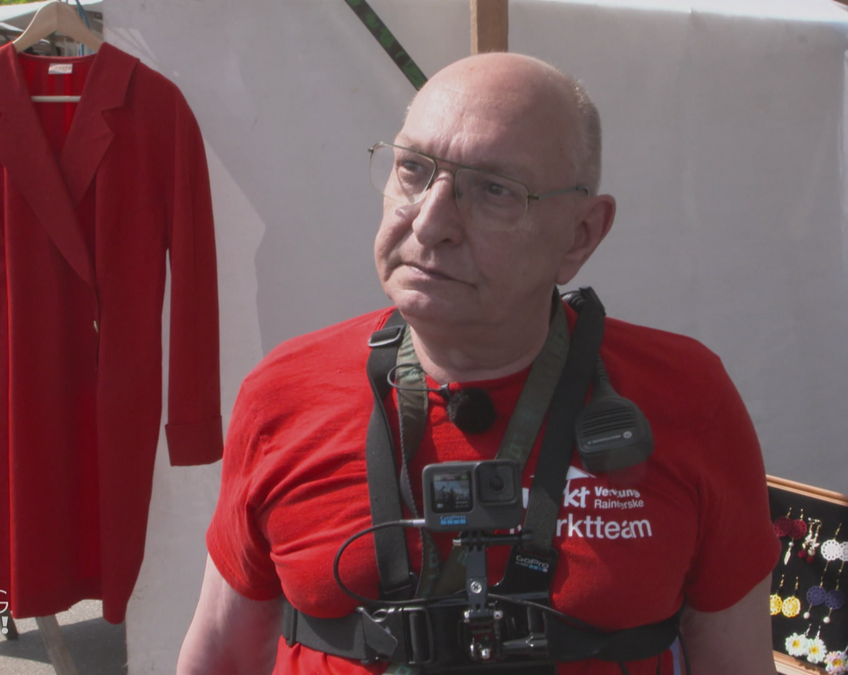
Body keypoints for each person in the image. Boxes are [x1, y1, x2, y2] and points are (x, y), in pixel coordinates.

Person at [177, 53, 780, 675]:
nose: (431, 222)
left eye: (494, 190)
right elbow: (221, 650)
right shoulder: (283, 391)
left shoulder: (685, 395)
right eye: (413, 168)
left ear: (581, 235)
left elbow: (737, 663)